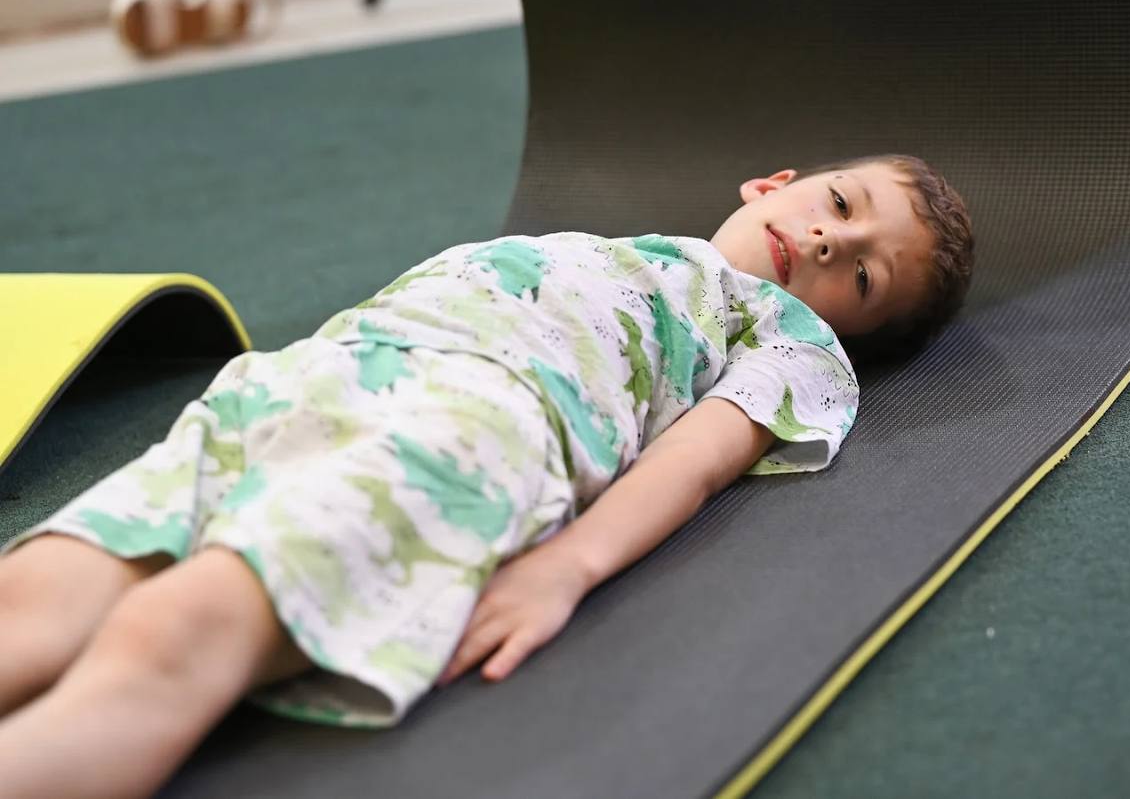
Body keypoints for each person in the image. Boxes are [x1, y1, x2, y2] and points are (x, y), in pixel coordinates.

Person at [0, 153, 972, 797]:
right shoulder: (628, 251)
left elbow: (695, 461)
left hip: (468, 433)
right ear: (773, 184)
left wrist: (568, 566)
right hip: (316, 372)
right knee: (35, 596)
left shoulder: (785, 338)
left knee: (173, 630)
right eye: (839, 205)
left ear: (846, 333)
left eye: (861, 278)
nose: (829, 241)